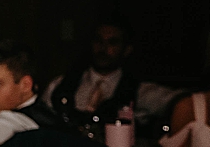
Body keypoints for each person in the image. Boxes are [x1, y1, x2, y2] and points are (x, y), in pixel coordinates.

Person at [44, 19, 178, 128]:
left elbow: (181, 102)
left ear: (126, 49)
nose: (103, 48)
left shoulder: (140, 91)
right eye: (98, 41)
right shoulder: (61, 84)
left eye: (112, 42)